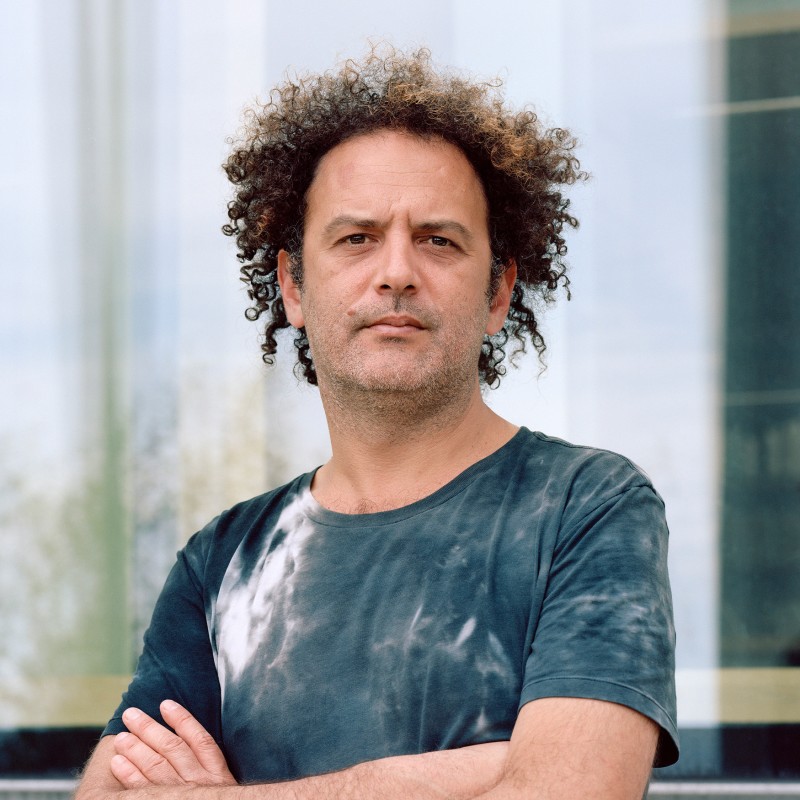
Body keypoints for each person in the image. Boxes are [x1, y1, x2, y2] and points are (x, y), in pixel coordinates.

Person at [75, 47, 678, 799]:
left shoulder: (587, 508)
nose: (396, 272)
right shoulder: (223, 560)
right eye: (357, 238)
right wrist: (483, 769)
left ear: (498, 293)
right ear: (293, 286)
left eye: (438, 240)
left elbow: (570, 792)